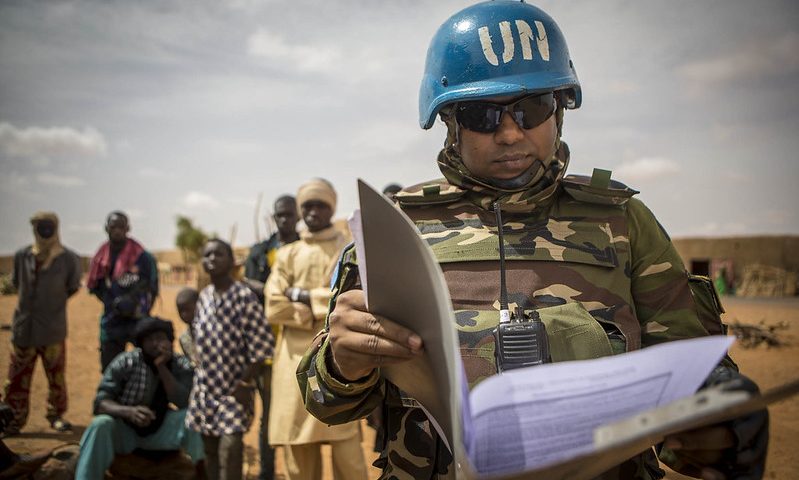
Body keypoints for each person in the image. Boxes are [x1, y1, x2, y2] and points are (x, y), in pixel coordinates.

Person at [297, 2, 769, 480]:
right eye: (482, 114)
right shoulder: (397, 231)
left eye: (532, 108)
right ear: (450, 123)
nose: (509, 133)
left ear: (559, 111)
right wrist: (342, 362)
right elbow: (327, 404)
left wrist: (722, 422)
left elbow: (691, 390)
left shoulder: (623, 223)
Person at [265, 179, 367, 480]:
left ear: (331, 208)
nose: (313, 211)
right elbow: (272, 305)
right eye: (307, 205)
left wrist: (303, 297)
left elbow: (352, 299)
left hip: (337, 361)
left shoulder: (348, 250)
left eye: (320, 205)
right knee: (298, 457)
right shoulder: (287, 253)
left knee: (349, 457)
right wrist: (321, 307)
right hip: (291, 366)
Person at [186, 239, 275, 480]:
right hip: (206, 390)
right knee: (211, 453)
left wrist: (244, 385)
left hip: (234, 391)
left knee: (231, 450)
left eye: (219, 254)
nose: (212, 259)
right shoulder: (203, 297)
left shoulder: (244, 297)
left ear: (231, 260)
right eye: (207, 255)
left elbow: (263, 347)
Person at [75, 316, 204, 480]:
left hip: (161, 431)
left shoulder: (180, 364)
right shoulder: (126, 362)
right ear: (141, 343)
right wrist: (129, 412)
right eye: (150, 339)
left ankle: (203, 474)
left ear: (170, 340)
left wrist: (162, 367)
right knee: (100, 424)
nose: (156, 343)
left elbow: (184, 401)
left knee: (195, 417)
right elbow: (100, 403)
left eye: (160, 338)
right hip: (126, 432)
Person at [3, 212, 81, 435]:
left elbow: (73, 286)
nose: (44, 230)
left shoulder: (68, 259)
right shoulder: (22, 256)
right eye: (40, 226)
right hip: (23, 329)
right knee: (16, 378)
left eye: (48, 226)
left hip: (52, 329)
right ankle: (13, 420)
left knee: (56, 376)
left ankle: (55, 415)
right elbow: (17, 283)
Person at [243, 195, 299, 480]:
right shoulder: (259, 253)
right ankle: (267, 473)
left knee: (296, 414)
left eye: (290, 214)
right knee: (269, 416)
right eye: (280, 215)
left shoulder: (307, 249)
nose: (285, 220)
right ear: (273, 217)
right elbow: (249, 295)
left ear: (297, 216)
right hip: (266, 348)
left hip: (298, 347)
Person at [88, 211, 159, 371]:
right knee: (110, 369)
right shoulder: (100, 258)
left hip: (138, 320)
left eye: (121, 226)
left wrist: (139, 308)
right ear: (106, 228)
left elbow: (153, 288)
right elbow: (95, 287)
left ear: (128, 228)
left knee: (146, 367)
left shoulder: (143, 257)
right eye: (114, 226)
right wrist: (113, 302)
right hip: (111, 321)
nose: (117, 230)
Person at [175, 287, 199, 367]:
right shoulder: (184, 338)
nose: (184, 314)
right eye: (180, 311)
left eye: (187, 310)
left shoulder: (210, 331)